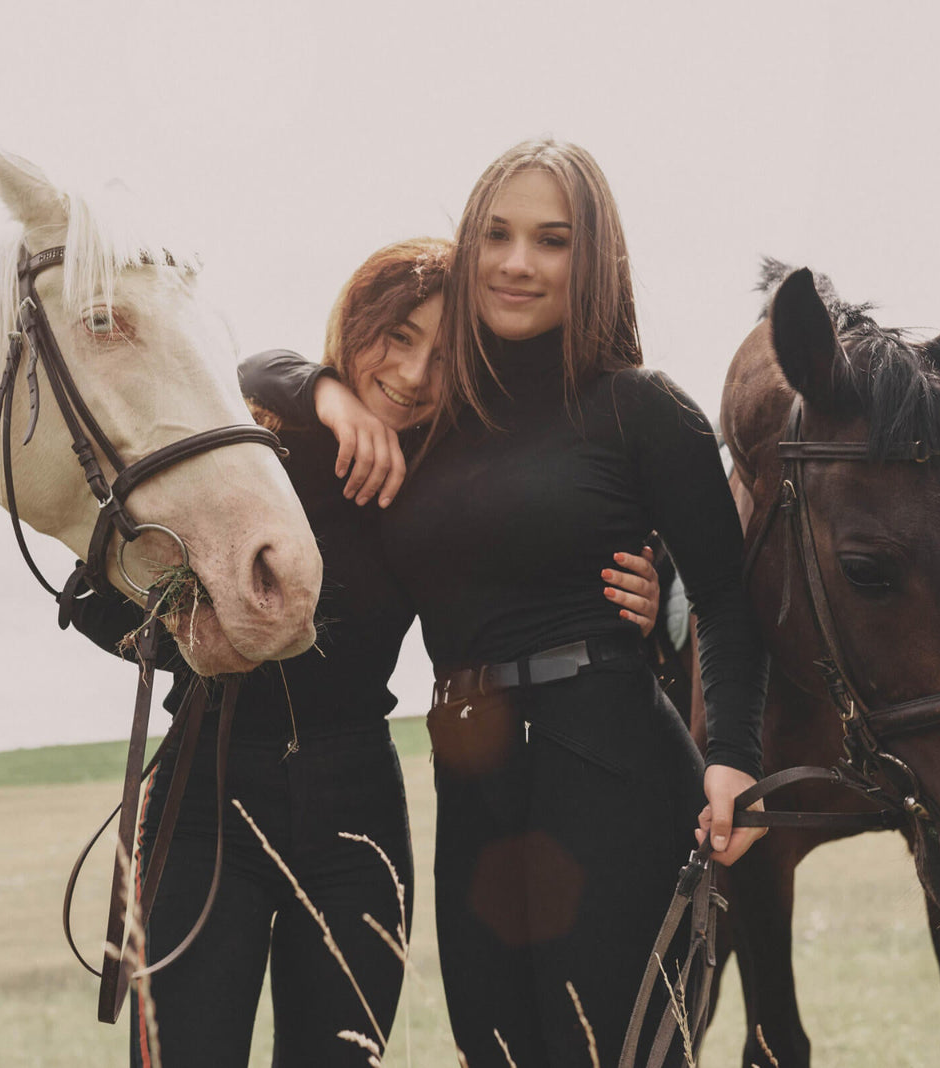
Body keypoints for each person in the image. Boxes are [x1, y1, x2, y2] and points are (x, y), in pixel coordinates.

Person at [70, 236, 663, 1067]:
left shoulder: (452, 478)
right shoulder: (251, 444)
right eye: (399, 337)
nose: (416, 374)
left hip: (356, 810)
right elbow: (249, 372)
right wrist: (324, 396)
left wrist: (650, 587)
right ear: (356, 324)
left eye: (445, 354)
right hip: (205, 799)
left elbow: (554, 545)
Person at [246, 141, 767, 1067]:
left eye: (553, 240)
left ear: (593, 258)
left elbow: (724, 598)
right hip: (473, 775)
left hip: (614, 766)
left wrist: (731, 759)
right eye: (498, 234)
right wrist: (329, 394)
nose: (518, 262)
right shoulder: (433, 419)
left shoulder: (639, 408)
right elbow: (257, 370)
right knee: (493, 1049)